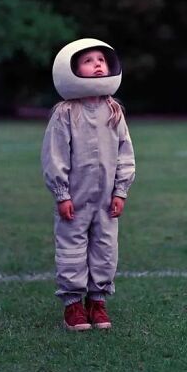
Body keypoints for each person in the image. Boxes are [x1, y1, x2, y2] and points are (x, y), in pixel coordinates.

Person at [41, 38, 135, 331]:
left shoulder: (114, 111)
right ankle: (73, 305)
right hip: (74, 198)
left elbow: (125, 153)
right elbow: (54, 156)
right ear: (71, 68)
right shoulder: (65, 113)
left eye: (101, 60)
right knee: (71, 248)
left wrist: (121, 190)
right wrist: (61, 194)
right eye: (88, 60)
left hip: (107, 200)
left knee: (106, 249)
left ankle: (97, 300)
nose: (97, 64)